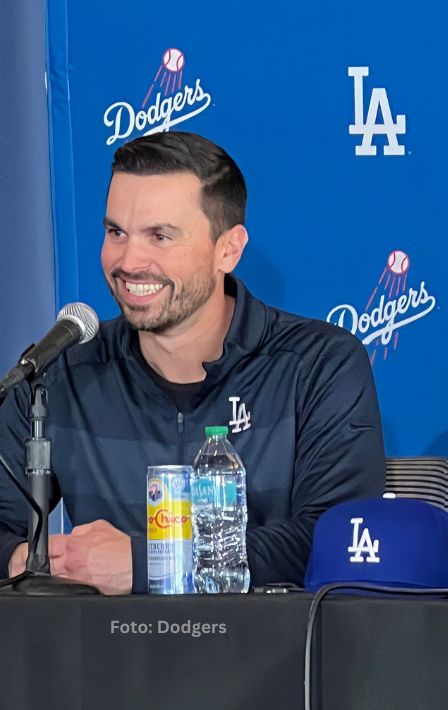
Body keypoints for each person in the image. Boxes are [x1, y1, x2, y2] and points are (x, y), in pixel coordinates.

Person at [0, 131, 386, 594]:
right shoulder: (58, 373)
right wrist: (24, 557)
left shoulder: (318, 365)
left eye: (160, 236)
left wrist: (147, 564)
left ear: (229, 249)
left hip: (273, 658)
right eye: (115, 232)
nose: (129, 260)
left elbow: (338, 540)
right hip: (107, 660)